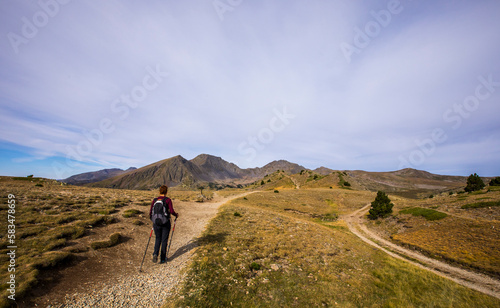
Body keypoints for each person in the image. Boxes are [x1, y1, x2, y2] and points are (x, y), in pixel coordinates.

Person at [149, 185, 178, 263]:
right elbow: (171, 211)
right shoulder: (168, 200)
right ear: (166, 192)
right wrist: (176, 215)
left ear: (159, 191)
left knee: (158, 238)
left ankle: (155, 254)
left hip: (156, 223)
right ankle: (162, 258)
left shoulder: (155, 200)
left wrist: (154, 220)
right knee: (164, 239)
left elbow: (150, 212)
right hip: (165, 222)